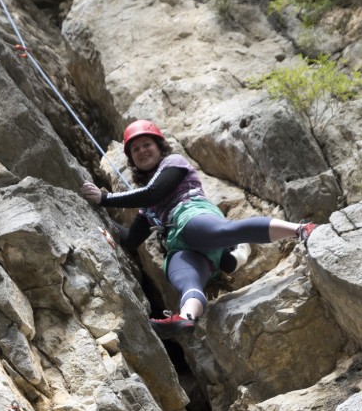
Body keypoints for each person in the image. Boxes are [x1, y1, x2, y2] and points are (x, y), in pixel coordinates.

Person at [81, 119, 316, 339]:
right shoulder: (148, 209)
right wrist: (101, 223)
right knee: (184, 277)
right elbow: (131, 240)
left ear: (159, 147)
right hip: (180, 243)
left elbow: (153, 192)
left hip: (192, 215)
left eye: (146, 145)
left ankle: (301, 229)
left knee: (226, 232)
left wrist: (105, 198)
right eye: (136, 150)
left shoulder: (174, 163)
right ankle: (186, 317)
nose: (142, 151)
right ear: (132, 159)